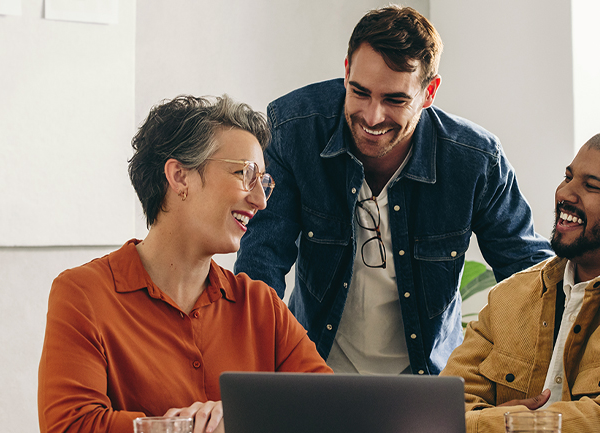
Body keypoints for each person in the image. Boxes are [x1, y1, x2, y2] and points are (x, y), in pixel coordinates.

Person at [234, 5, 553, 376]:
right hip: (316, 373)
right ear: (346, 73)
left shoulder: (476, 160)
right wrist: (256, 380)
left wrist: (517, 381)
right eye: (360, 92)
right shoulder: (295, 129)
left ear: (429, 92)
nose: (372, 117)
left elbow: (531, 279)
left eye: (395, 100)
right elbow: (262, 264)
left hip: (426, 382)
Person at [37, 95, 331, 433]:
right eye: (245, 174)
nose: (261, 200)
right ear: (179, 177)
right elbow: (71, 426)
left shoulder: (261, 306)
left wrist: (237, 416)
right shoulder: (83, 295)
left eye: (264, 182)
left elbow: (328, 412)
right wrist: (192, 427)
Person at [440, 130, 600, 433]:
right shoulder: (511, 294)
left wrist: (507, 424)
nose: (564, 194)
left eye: (592, 187)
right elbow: (445, 411)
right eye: (568, 177)